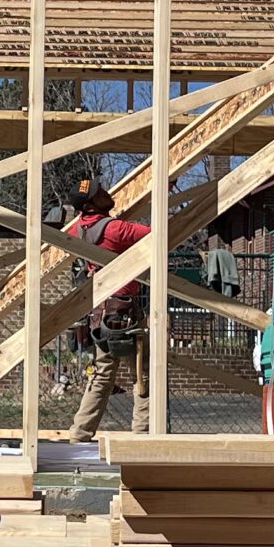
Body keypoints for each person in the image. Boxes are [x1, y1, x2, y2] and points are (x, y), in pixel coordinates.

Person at [62, 179, 154, 441]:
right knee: (144, 371)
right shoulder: (114, 229)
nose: (106, 193)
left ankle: (80, 432)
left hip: (100, 312)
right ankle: (142, 434)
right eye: (99, 194)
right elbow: (156, 233)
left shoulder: (79, 228)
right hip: (124, 311)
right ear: (90, 204)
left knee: (102, 374)